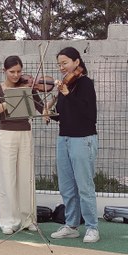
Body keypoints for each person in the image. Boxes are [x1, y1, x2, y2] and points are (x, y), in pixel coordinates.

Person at [49, 47, 99, 243]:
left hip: (83, 139)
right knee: (67, 186)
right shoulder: (63, 86)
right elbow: (64, 115)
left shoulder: (85, 84)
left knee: (84, 186)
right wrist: (49, 114)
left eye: (65, 63)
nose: (61, 67)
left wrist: (67, 93)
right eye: (59, 64)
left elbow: (88, 114)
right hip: (64, 139)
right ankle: (71, 225)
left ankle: (92, 227)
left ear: (77, 62)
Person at [0, 55, 42, 235]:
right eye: (12, 72)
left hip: (25, 132)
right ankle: (8, 221)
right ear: (4, 71)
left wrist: (51, 97)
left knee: (26, 177)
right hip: (6, 133)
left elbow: (43, 109)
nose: (16, 75)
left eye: (19, 71)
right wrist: (9, 100)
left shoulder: (28, 87)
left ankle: (28, 219)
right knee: (7, 177)